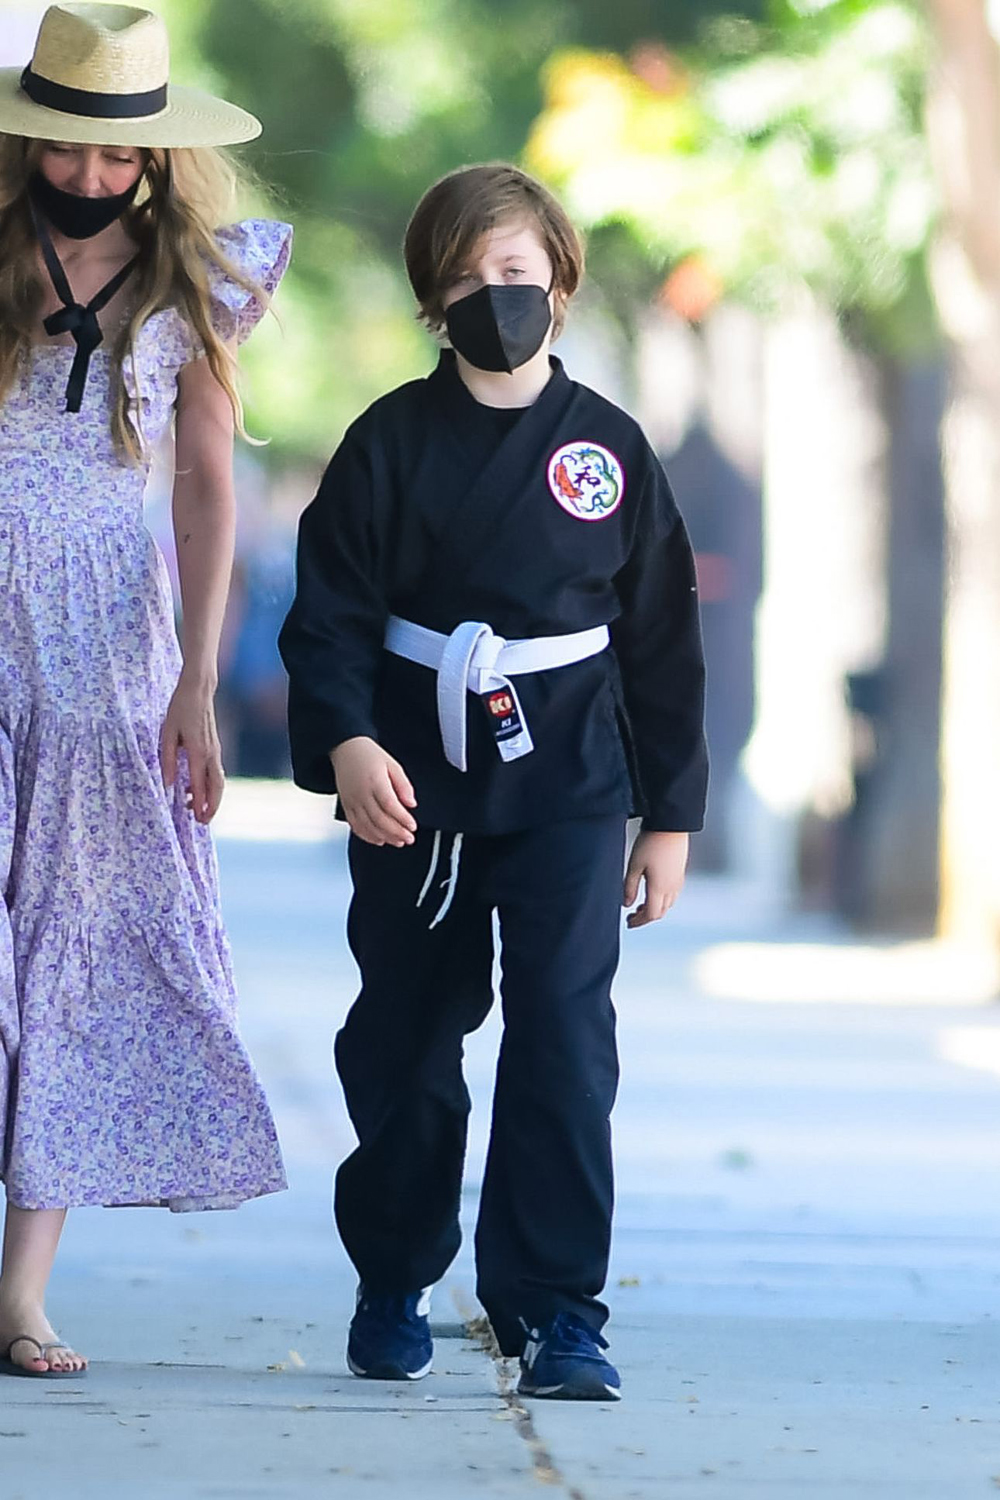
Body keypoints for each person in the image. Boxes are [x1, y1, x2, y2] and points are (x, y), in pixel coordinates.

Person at [279, 163, 707, 1402]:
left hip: (571, 775)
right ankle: (395, 1272)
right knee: (410, 1033)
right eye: (466, 279)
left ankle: (559, 1310)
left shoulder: (611, 451)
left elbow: (663, 641)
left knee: (567, 1039)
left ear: (559, 284)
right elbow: (330, 619)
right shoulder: (386, 446)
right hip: (416, 778)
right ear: (432, 302)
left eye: (514, 273)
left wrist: (665, 814)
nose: (493, 297)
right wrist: (350, 744)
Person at [0, 4, 290, 1378]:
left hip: (112, 645)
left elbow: (208, 487)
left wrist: (196, 685)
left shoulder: (199, 283)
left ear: (161, 156)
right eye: (71, 145)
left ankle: (23, 1293)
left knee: (82, 947)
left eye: (123, 155)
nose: (96, 174)